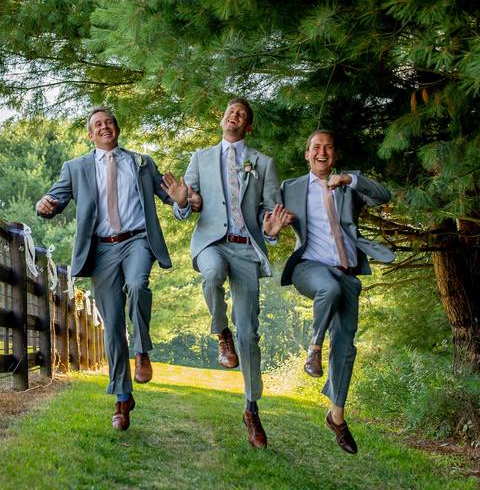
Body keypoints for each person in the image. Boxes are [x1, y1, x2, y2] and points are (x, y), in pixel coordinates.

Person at [35, 107, 176, 431]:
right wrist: (44, 205)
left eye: (109, 122)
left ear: (118, 128)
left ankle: (142, 350)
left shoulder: (141, 163)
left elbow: (171, 196)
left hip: (137, 240)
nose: (104, 128)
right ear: (90, 134)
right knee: (112, 324)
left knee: (139, 284)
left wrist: (186, 199)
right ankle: (122, 398)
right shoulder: (76, 168)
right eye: (97, 125)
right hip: (102, 249)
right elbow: (53, 199)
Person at [264, 130, 394, 454]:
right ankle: (313, 348)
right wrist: (272, 232)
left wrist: (350, 179)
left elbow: (383, 195)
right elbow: (266, 222)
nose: (322, 152)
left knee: (346, 347)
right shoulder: (290, 188)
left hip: (347, 271)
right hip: (309, 267)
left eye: (328, 147)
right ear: (307, 155)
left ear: (333, 154)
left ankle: (337, 417)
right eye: (316, 148)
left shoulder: (347, 186)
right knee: (328, 288)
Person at [161, 98, 281, 448]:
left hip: (245, 247)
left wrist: (270, 229)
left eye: (242, 114)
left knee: (250, 334)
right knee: (211, 275)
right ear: (222, 118)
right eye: (230, 111)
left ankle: (252, 408)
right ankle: (220, 332)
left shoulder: (263, 163)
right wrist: (182, 201)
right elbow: (186, 205)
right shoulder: (200, 157)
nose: (234, 115)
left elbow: (269, 211)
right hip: (211, 241)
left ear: (248, 126)